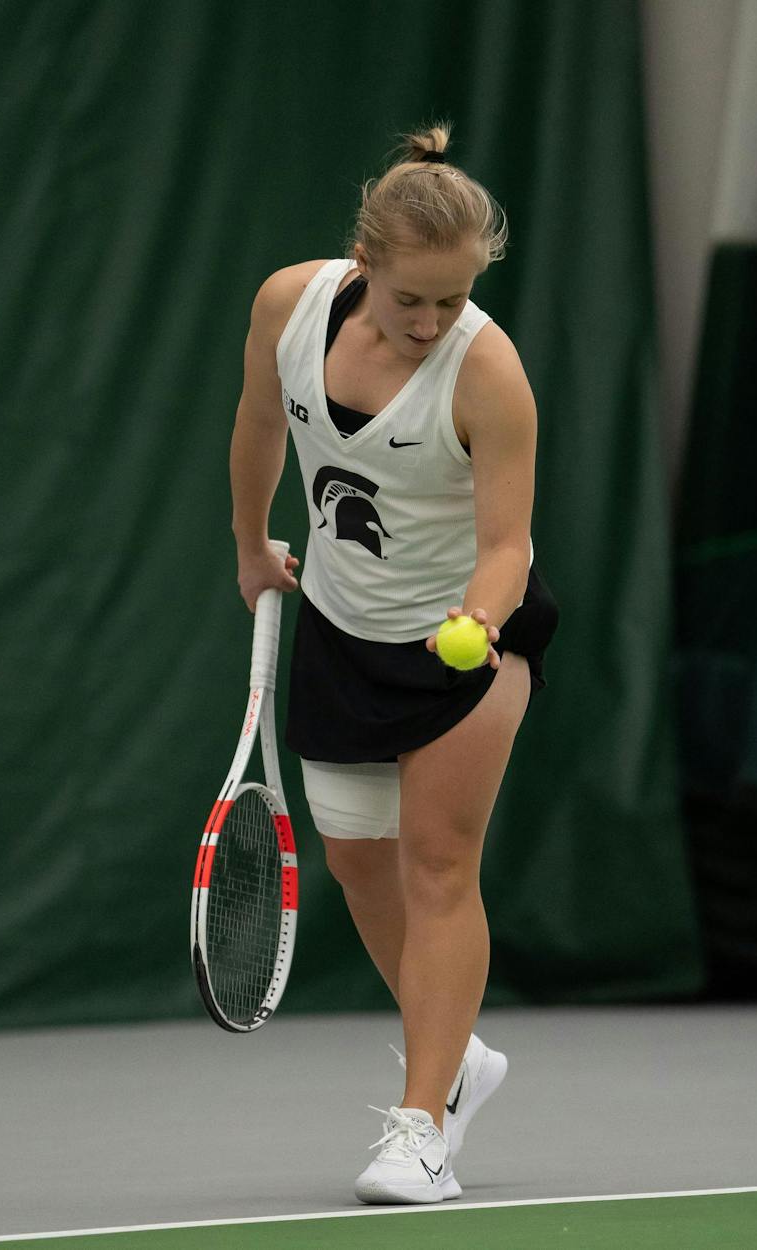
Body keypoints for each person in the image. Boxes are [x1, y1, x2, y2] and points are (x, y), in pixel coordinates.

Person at [229, 121, 558, 1205]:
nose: (428, 322)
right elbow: (257, 425)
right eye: (408, 298)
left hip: (465, 639)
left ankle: (423, 1127)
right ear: (362, 262)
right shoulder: (289, 304)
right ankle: (454, 1048)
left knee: (434, 862)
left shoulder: (488, 370)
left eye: (451, 301)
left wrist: (480, 611)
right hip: (338, 620)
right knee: (360, 864)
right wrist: (248, 543)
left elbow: (507, 540)